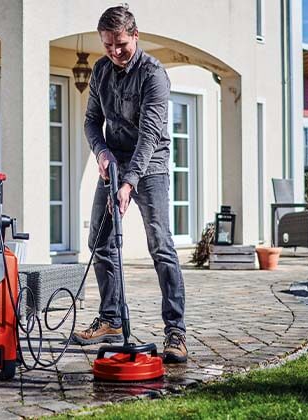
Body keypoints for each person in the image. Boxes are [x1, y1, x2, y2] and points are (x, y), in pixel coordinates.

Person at [71, 5, 187, 364]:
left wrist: (129, 182)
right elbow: (92, 121)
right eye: (108, 45)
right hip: (114, 164)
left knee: (160, 244)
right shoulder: (101, 71)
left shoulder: (154, 75)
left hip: (149, 166)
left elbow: (150, 134)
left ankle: (176, 332)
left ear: (134, 36)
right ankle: (110, 319)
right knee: (99, 241)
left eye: (120, 44)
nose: (114, 52)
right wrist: (102, 154)